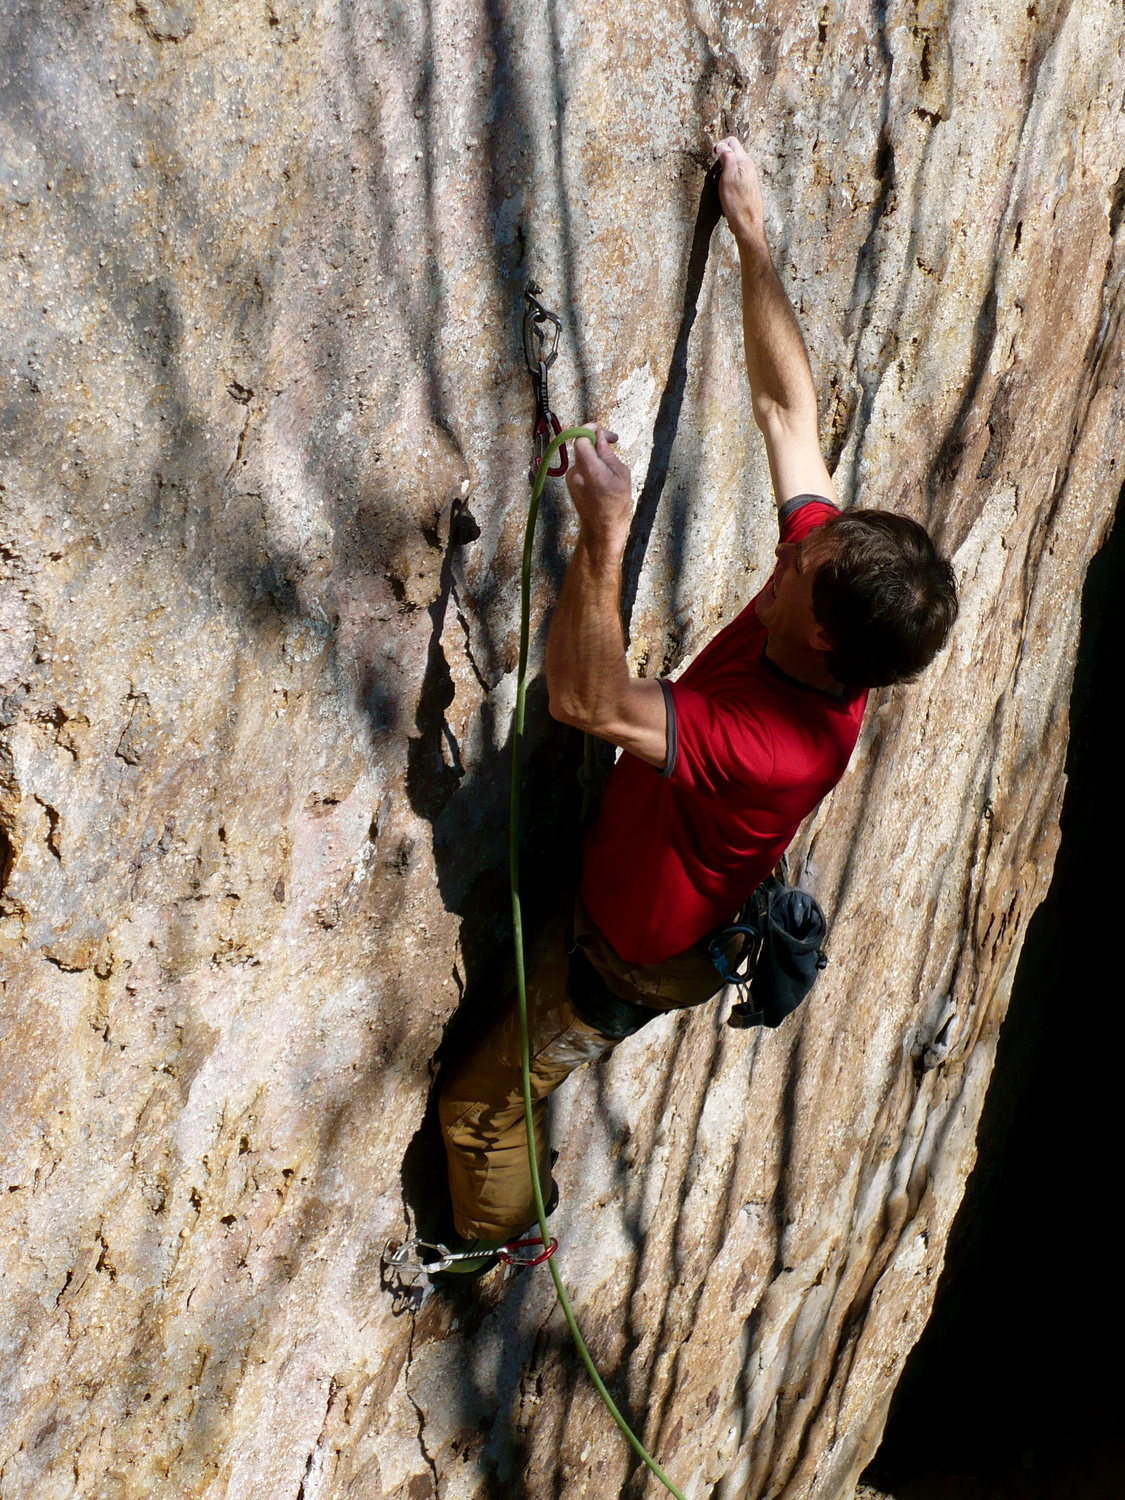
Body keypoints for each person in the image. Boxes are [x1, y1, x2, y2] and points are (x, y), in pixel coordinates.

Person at [436, 136, 958, 1271]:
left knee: (482, 1105)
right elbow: (786, 412)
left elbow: (583, 698)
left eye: (802, 573)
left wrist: (608, 538)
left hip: (627, 956)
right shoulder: (831, 610)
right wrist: (752, 234)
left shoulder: (775, 742)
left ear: (823, 634)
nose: (791, 552)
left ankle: (498, 1249)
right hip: (650, 872)